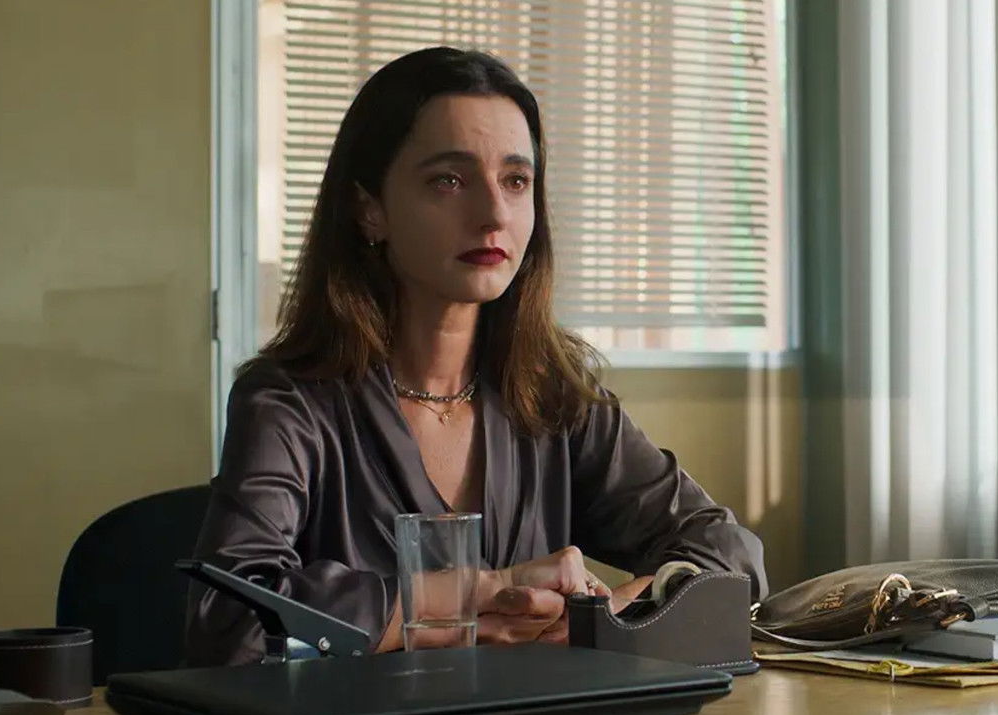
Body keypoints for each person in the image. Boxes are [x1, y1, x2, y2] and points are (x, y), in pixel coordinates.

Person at [185, 46, 767, 667]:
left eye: (516, 181)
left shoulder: (553, 393)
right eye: (449, 180)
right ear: (369, 209)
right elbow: (230, 624)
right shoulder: (288, 401)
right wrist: (485, 593)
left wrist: (610, 618)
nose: (493, 215)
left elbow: (728, 552)